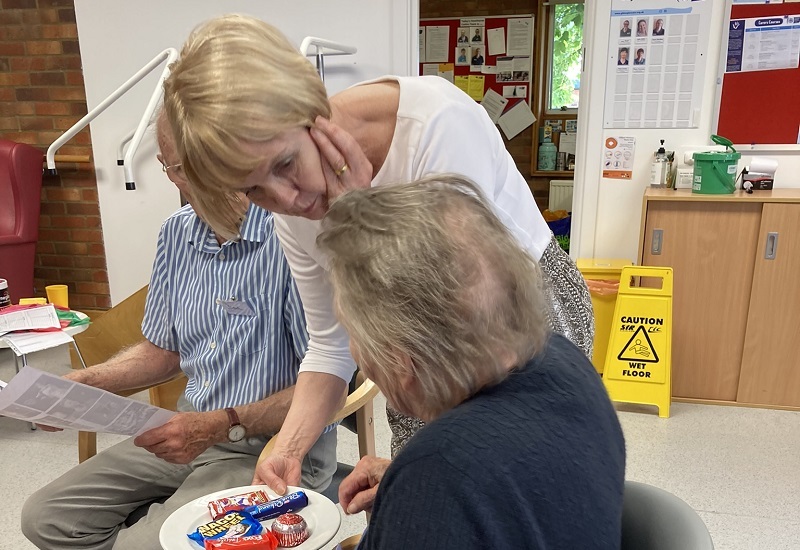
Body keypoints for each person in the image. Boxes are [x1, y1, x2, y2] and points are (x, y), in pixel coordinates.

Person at [162, 14, 593, 491]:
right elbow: (329, 343)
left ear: (310, 110)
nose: (287, 200)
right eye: (254, 190)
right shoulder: (290, 206)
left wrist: (356, 220)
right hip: (413, 351)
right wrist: (287, 445)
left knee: (507, 490)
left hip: (517, 321)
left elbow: (464, 334)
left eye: (286, 164)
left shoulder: (435, 127)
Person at [20, 112, 336, 550]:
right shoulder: (176, 233)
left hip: (269, 447)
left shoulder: (295, 236)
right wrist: (79, 385)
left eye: (212, 159)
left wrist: (220, 424)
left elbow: (328, 381)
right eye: (181, 166)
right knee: (47, 518)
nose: (201, 178)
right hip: (183, 432)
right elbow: (161, 352)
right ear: (169, 171)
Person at [322, 176, 625, 549]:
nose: (357, 356)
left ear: (401, 360)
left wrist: (419, 493)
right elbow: (522, 484)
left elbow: (463, 480)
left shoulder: (440, 476)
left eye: (352, 332)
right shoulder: (565, 361)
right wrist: (406, 486)